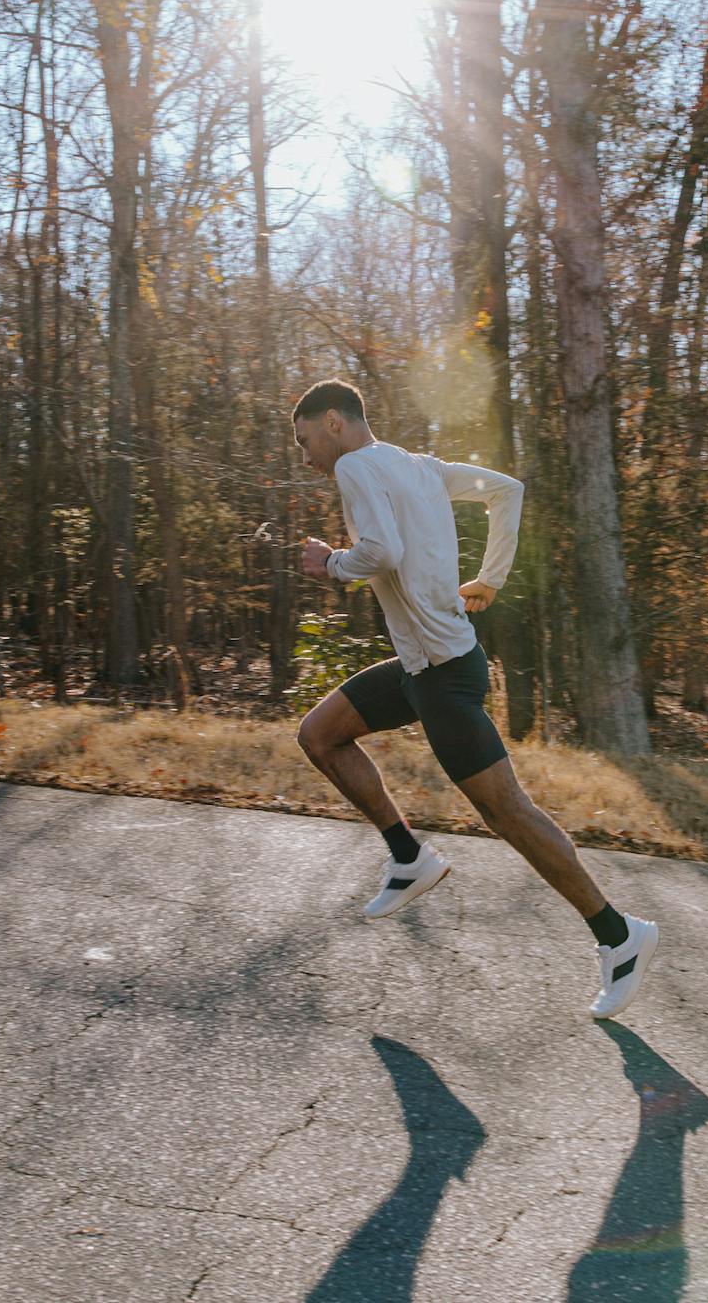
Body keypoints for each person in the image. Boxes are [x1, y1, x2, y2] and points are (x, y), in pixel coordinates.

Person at [291, 379, 658, 1019]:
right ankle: (408, 857)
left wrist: (331, 564)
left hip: (443, 676)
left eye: (304, 443)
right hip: (423, 667)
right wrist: (491, 578)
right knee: (319, 734)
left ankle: (619, 935)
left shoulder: (354, 466)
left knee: (508, 813)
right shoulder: (419, 467)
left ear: (333, 422)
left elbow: (380, 551)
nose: (306, 458)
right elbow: (506, 490)